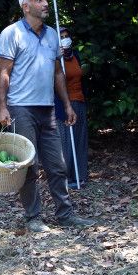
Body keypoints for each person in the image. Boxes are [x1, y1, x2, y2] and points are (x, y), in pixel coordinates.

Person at [0, 0, 92, 232]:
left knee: (57, 164)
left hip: (47, 108)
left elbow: (58, 74)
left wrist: (67, 105)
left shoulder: (52, 36)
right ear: (25, 6)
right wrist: (2, 107)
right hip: (20, 108)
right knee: (29, 164)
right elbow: (4, 73)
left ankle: (65, 214)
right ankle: (33, 218)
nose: (45, 3)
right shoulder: (11, 33)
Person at [54, 26, 88, 189]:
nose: (65, 39)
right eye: (62, 37)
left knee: (80, 140)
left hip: (79, 101)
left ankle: (80, 175)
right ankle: (66, 178)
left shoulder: (76, 57)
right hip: (64, 104)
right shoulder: (55, 59)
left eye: (67, 35)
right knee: (66, 142)